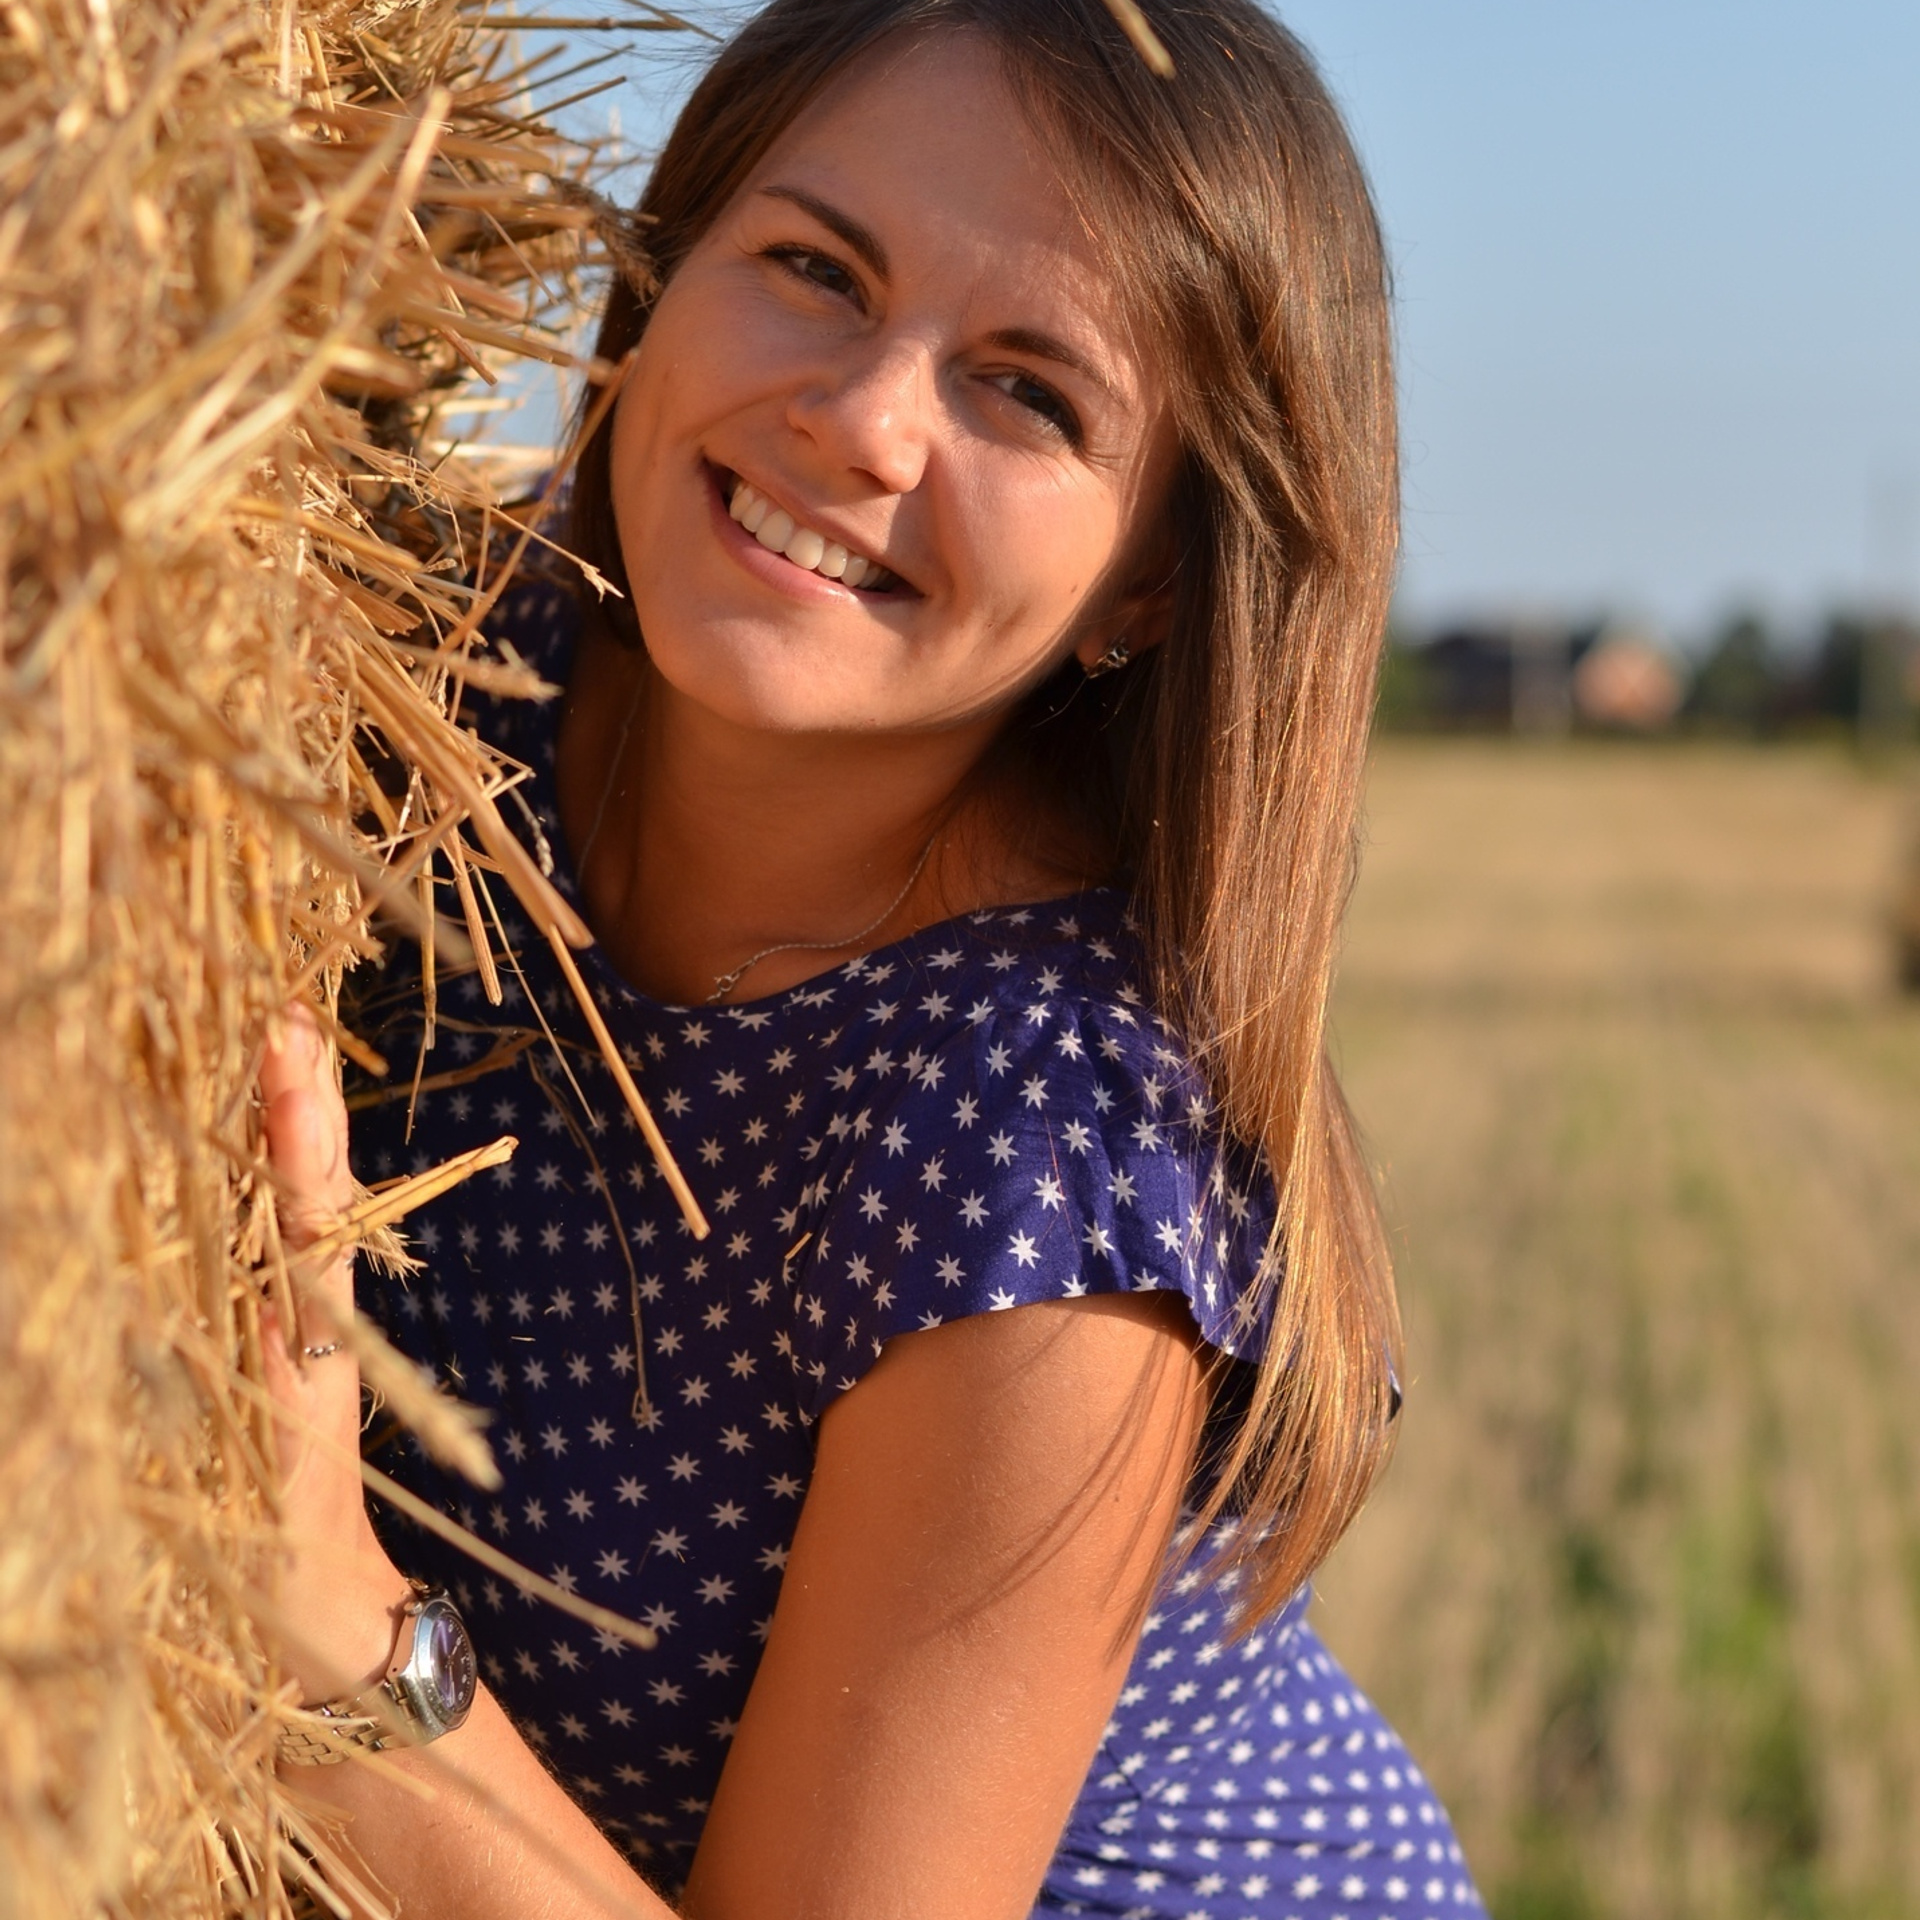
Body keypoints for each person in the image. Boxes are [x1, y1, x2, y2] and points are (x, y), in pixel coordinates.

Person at [257, 2, 1487, 1914]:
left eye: (1028, 392)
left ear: (1149, 583)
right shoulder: (433, 668)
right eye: (814, 269)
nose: (865, 417)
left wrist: (323, 1621)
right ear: (660, 279)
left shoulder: (1046, 1143)